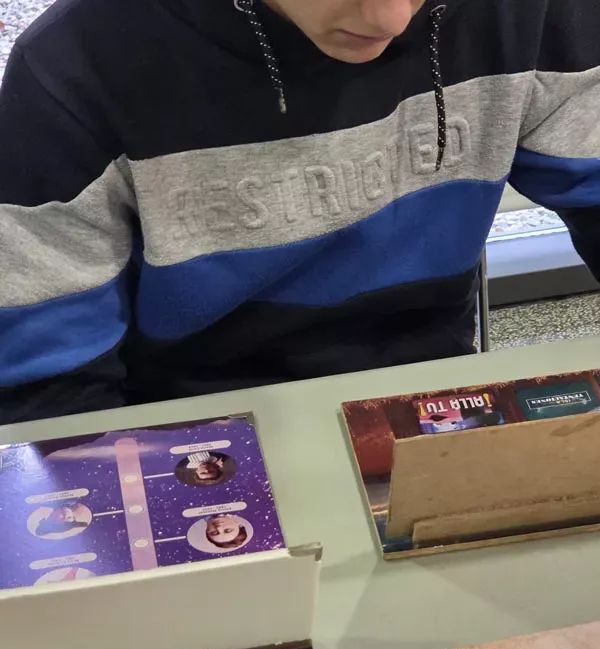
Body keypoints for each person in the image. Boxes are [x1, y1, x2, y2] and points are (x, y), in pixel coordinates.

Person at [1, 0, 598, 424]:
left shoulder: (535, 12)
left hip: (427, 394)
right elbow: (49, 387)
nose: (390, 18)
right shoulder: (73, 65)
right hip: (182, 425)